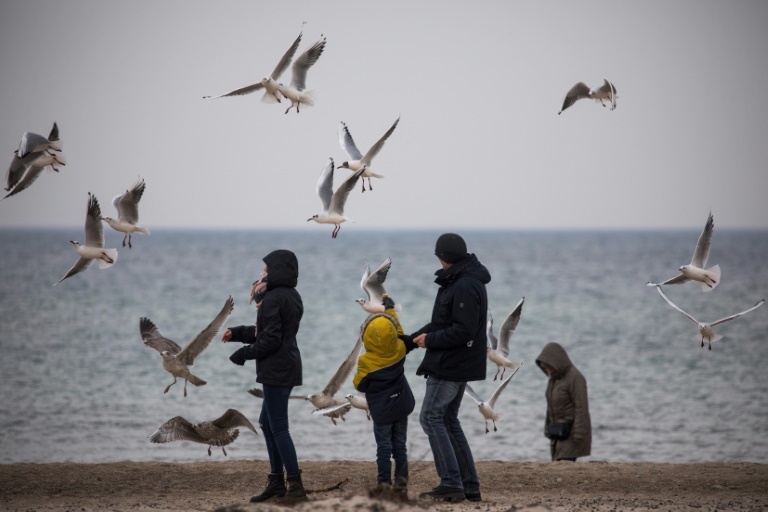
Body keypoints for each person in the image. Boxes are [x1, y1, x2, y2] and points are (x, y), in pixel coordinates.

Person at [222, 249, 307, 504]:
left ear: (279, 270)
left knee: (278, 426)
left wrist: (243, 354)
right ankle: (276, 482)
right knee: (268, 423)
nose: (263, 274)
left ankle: (294, 485)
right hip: (287, 366)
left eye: (267, 269)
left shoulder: (272, 299)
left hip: (277, 370)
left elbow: (269, 340)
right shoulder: (292, 296)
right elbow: (268, 332)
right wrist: (237, 332)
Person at [410, 233, 490, 503]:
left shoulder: (464, 285)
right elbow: (444, 323)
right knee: (447, 420)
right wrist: (411, 341)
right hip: (458, 363)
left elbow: (462, 330)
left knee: (431, 417)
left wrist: (430, 340)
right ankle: (469, 485)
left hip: (452, 365)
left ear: (441, 256)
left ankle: (451, 483)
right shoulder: (459, 280)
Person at [352, 294, 416, 499]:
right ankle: (401, 488)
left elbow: (359, 385)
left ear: (366, 336)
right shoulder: (400, 349)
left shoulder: (366, 362)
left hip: (381, 410)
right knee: (400, 447)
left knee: (383, 448)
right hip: (401, 404)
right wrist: (389, 309)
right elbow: (398, 331)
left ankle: (384, 487)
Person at [535, 342, 592, 462]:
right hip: (557, 433)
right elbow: (550, 407)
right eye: (545, 368)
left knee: (563, 466)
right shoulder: (554, 379)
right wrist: (547, 428)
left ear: (557, 361)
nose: (548, 371)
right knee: (558, 466)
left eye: (549, 367)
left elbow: (582, 407)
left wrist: (579, 434)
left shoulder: (575, 378)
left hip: (572, 433)